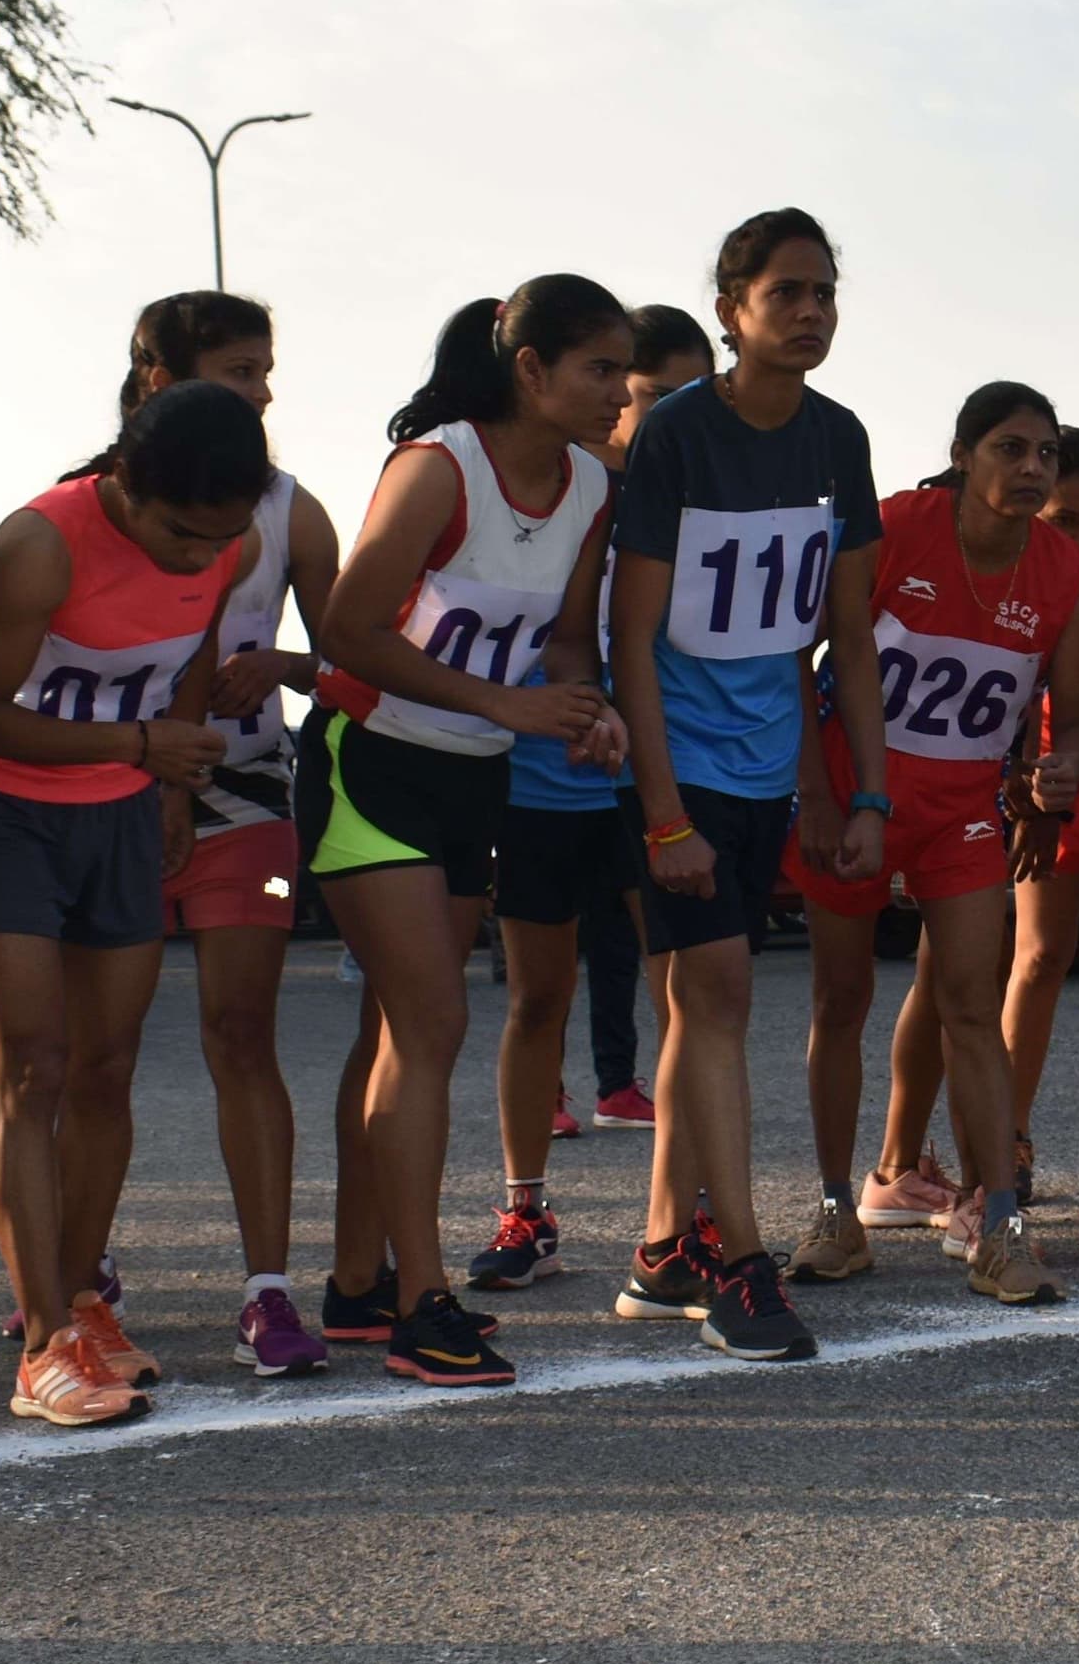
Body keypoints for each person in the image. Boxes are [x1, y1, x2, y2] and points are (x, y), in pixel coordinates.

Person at [306, 278, 633, 1386]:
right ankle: (418, 1301)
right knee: (432, 1024)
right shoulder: (438, 468)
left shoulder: (590, 483)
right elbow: (347, 629)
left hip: (473, 778)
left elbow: (565, 644)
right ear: (530, 369)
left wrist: (590, 715)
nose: (620, 392)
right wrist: (501, 705)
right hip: (375, 762)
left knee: (396, 1038)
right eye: (600, 369)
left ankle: (357, 1285)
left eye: (627, 370)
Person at [0, 379, 268, 1425]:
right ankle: (39, 1345)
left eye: (213, 537)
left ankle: (80, 1301)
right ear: (123, 481)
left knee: (105, 1068)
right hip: (9, 814)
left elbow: (186, 663)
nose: (192, 556)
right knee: (28, 1070)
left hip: (124, 814)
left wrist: (165, 785)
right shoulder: (44, 543)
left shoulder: (235, 543)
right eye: (177, 532)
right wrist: (138, 747)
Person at [606, 210, 886, 1364]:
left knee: (697, 1005)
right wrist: (663, 811)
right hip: (677, 763)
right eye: (788, 293)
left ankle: (666, 1249)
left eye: (826, 292)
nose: (812, 311)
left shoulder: (839, 437)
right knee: (716, 994)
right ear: (733, 310)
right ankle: (739, 1261)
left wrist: (859, 792)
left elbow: (850, 636)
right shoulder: (677, 435)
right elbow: (631, 640)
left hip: (771, 764)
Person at [780, 382, 1079, 1300]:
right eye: (1010, 448)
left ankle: (999, 1223)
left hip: (962, 805)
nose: (1033, 468)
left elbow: (1073, 717)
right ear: (962, 456)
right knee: (841, 998)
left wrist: (1059, 773)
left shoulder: (1062, 569)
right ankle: (838, 1209)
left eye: (1046, 453)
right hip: (851, 796)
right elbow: (802, 658)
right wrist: (816, 794)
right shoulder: (895, 527)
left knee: (972, 1001)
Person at [106, 295, 343, 1374]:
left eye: (268, 368)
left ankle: (268, 1292)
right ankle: (79, 1274)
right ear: (163, 379)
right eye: (242, 370)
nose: (265, 391)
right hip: (107, 792)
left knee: (241, 1034)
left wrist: (292, 668)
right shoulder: (87, 503)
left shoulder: (292, 510)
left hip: (244, 793)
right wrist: (145, 766)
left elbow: (355, 656)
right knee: (93, 1052)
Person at [483, 303, 709, 1289]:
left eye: (683, 395)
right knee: (539, 999)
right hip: (548, 773)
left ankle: (683, 1218)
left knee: (687, 998)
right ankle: (524, 1214)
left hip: (665, 773)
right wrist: (577, 711)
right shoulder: (563, 487)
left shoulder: (703, 498)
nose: (651, 410)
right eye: (649, 392)